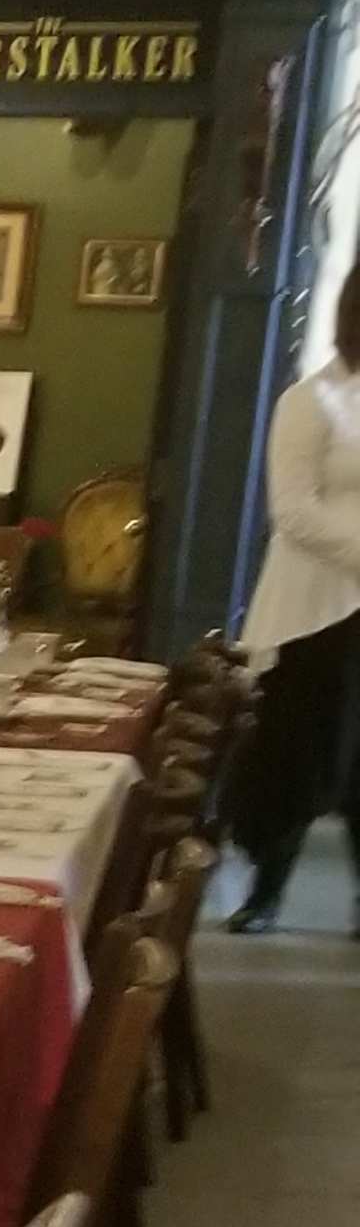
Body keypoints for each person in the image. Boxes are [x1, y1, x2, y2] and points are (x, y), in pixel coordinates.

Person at [234, 256, 360, 926]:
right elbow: (293, 510)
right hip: (315, 608)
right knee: (299, 754)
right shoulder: (309, 401)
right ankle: (266, 890)